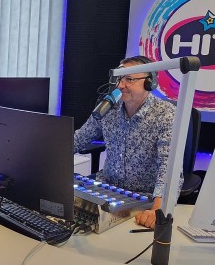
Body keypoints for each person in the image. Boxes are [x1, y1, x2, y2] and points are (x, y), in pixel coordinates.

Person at [73, 56, 179, 229]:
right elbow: (79, 139)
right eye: (119, 79)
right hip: (106, 187)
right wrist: (47, 156)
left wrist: (158, 209)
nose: (121, 85)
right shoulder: (108, 108)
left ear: (150, 82)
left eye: (129, 79)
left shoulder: (166, 114)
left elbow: (168, 169)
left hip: (144, 198)